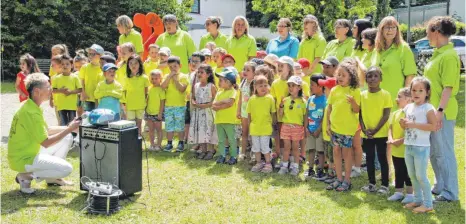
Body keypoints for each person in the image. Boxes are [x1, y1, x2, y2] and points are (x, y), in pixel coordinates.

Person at [8, 73, 79, 193]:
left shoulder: (31, 105)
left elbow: (47, 130)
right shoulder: (31, 112)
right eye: (48, 87)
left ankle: (52, 179)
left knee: (67, 137)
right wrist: (69, 129)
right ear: (37, 91)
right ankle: (26, 176)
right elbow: (46, 142)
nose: (51, 89)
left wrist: (71, 128)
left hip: (27, 153)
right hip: (23, 159)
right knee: (67, 169)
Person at [424, 16, 460, 203]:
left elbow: (448, 87)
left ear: (436, 31)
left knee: (444, 151)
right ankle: (440, 185)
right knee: (434, 151)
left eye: (428, 31)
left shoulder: (449, 56)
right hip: (432, 112)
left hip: (442, 112)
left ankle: (450, 192)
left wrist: (439, 111)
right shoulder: (438, 54)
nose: (427, 35)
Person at [401, 77, 437, 213]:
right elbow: (406, 126)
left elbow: (433, 126)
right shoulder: (408, 107)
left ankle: (428, 204)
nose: (416, 93)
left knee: (421, 176)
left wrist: (414, 125)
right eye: (414, 90)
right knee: (412, 175)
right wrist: (403, 123)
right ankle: (417, 199)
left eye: (420, 90)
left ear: (427, 92)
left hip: (421, 147)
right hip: (409, 145)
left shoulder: (428, 108)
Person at [325, 58, 361, 192]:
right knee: (336, 152)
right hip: (335, 128)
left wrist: (353, 102)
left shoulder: (355, 91)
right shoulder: (334, 90)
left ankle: (347, 180)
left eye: (343, 75)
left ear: (351, 77)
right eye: (338, 74)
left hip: (347, 129)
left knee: (346, 154)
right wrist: (328, 125)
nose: (340, 77)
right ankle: (338, 178)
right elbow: (329, 108)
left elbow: (357, 110)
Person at [359, 66, 392, 195]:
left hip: (381, 134)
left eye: (375, 76)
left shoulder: (385, 95)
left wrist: (376, 130)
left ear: (380, 79)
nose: (372, 79)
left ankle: (384, 185)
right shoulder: (362, 95)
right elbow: (359, 114)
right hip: (367, 134)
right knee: (369, 159)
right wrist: (364, 129)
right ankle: (371, 183)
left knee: (382, 158)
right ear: (366, 79)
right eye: (369, 76)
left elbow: (386, 114)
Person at [372, 16, 416, 102]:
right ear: (381, 30)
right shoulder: (376, 50)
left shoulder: (404, 48)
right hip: (377, 97)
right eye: (387, 27)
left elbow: (410, 75)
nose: (390, 30)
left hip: (395, 99)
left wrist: (405, 97)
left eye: (393, 27)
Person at [387, 87, 414, 204]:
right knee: (398, 170)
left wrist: (400, 141)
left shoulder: (411, 114)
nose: (396, 99)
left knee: (408, 171)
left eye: (399, 97)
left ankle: (410, 193)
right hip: (396, 150)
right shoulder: (395, 113)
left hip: (406, 149)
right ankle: (398, 192)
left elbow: (412, 132)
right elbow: (390, 128)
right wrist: (391, 139)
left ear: (408, 99)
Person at [277, 76, 307, 176]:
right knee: (286, 147)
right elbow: (280, 115)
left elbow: (305, 115)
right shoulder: (285, 100)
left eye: (293, 85)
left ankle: (295, 166)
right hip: (286, 126)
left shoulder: (303, 102)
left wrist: (305, 128)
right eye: (289, 85)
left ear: (299, 87)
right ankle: (284, 166)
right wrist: (281, 106)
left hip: (298, 127)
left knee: (295, 147)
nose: (290, 87)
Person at [188, 64, 218, 160]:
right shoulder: (196, 85)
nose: (199, 74)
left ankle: (211, 150)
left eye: (202, 72)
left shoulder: (211, 86)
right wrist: (194, 103)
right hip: (198, 113)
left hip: (208, 112)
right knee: (201, 131)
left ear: (208, 74)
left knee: (209, 130)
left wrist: (205, 105)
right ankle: (203, 150)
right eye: (198, 72)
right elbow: (192, 97)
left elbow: (215, 100)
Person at [249, 75, 276, 173]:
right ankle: (259, 162)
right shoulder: (252, 99)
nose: (263, 88)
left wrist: (273, 124)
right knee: (256, 147)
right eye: (261, 86)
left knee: (265, 147)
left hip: (266, 128)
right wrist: (249, 127)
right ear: (255, 87)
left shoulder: (270, 99)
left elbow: (273, 113)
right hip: (254, 128)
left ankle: (268, 164)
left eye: (265, 85)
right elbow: (249, 114)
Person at [161, 56, 190, 152]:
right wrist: (169, 77)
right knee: (169, 125)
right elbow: (163, 86)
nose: (173, 69)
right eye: (170, 67)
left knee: (180, 125)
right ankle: (169, 143)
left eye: (175, 66)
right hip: (169, 106)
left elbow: (182, 89)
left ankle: (180, 143)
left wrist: (176, 80)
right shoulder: (166, 76)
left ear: (180, 66)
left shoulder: (184, 76)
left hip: (180, 106)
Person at [213, 68, 238, 165]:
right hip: (219, 120)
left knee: (231, 140)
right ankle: (222, 155)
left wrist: (219, 104)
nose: (218, 82)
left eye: (221, 80)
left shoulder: (233, 91)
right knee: (221, 140)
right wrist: (222, 102)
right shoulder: (219, 92)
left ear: (228, 82)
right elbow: (213, 105)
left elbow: (230, 103)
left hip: (229, 120)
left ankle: (233, 157)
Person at [270, 56, 294, 161]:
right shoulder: (275, 83)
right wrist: (274, 114)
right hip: (280, 116)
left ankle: (292, 156)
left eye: (282, 65)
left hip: (292, 116)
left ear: (289, 68)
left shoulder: (294, 81)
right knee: (281, 136)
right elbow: (273, 99)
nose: (279, 67)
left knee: (292, 137)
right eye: (278, 65)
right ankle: (282, 156)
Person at [304, 74, 327, 180]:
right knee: (311, 149)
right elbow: (307, 113)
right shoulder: (311, 99)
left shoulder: (325, 100)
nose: (310, 87)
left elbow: (324, 116)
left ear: (320, 86)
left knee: (320, 151)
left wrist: (319, 129)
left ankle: (320, 169)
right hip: (310, 130)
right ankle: (310, 168)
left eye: (312, 84)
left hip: (320, 131)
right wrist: (306, 128)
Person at [52, 55, 82, 126]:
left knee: (72, 124)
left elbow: (80, 89)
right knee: (63, 124)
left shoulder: (75, 77)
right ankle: (64, 137)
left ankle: (73, 137)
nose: (65, 66)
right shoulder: (56, 78)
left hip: (72, 105)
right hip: (61, 105)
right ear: (60, 66)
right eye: (62, 64)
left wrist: (70, 92)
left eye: (67, 64)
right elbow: (53, 90)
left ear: (72, 66)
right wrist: (61, 91)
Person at [318, 77, 338, 184]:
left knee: (332, 157)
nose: (324, 90)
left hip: (331, 135)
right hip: (326, 136)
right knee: (328, 155)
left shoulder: (333, 103)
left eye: (325, 88)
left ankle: (332, 174)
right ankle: (329, 173)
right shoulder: (327, 102)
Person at [123, 54, 149, 136]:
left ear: (140, 64)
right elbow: (124, 91)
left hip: (140, 104)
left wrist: (145, 103)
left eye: (135, 63)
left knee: (139, 123)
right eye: (131, 63)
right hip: (130, 104)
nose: (133, 65)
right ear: (128, 65)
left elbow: (146, 92)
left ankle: (138, 138)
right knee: (131, 123)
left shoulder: (144, 77)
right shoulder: (126, 78)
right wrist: (124, 104)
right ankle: (131, 139)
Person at [237, 61, 256, 161]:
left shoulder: (255, 83)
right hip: (244, 112)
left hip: (252, 113)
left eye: (248, 70)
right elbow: (240, 99)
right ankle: (243, 152)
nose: (245, 71)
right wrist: (238, 111)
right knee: (244, 133)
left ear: (254, 73)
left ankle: (254, 153)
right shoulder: (243, 82)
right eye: (244, 69)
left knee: (253, 133)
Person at [145, 70, 166, 151]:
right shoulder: (149, 88)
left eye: (156, 79)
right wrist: (146, 110)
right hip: (149, 113)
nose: (154, 80)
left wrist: (160, 113)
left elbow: (162, 102)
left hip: (157, 113)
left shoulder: (161, 89)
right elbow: (147, 100)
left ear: (160, 79)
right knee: (151, 130)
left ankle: (159, 145)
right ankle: (152, 144)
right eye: (152, 79)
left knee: (159, 130)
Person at [79, 44, 104, 112]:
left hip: (100, 98)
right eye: (89, 54)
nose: (90, 56)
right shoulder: (85, 67)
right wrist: (83, 93)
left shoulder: (104, 68)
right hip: (88, 98)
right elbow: (82, 81)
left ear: (100, 55)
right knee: (87, 118)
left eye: (93, 54)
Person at [73, 50, 88, 117]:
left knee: (86, 110)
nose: (79, 69)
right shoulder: (75, 74)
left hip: (86, 94)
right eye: (76, 67)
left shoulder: (88, 73)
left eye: (81, 66)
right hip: (78, 95)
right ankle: (79, 122)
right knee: (79, 110)